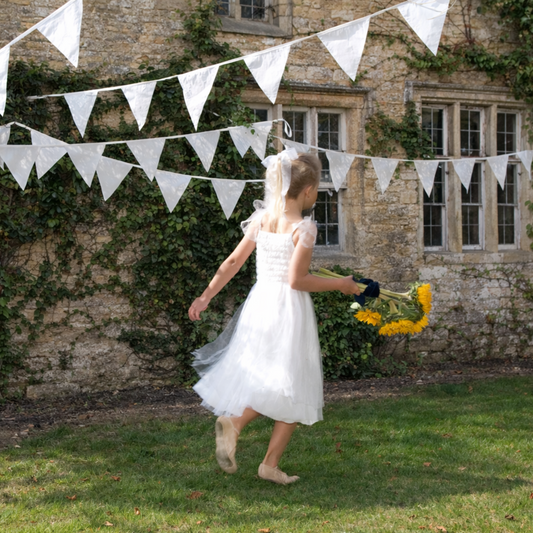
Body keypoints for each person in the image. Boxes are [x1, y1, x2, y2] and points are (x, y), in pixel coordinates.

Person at [188, 148, 360, 485]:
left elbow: (233, 262)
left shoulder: (262, 219)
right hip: (288, 310)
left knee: (273, 379)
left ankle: (261, 455)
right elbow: (297, 280)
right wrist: (341, 284)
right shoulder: (304, 228)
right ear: (308, 192)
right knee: (292, 384)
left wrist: (206, 294)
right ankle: (242, 432)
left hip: (260, 304)